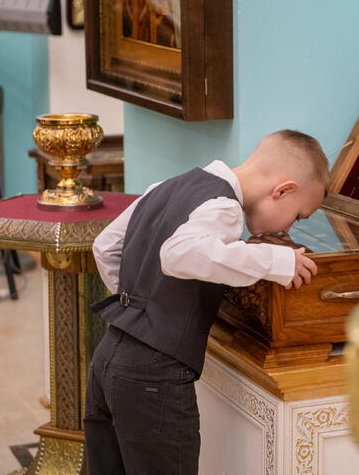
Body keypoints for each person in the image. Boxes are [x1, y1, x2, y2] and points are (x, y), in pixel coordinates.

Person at [83, 129, 328, 474]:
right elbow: (178, 254)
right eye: (299, 215)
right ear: (282, 190)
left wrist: (140, 308)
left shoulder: (166, 186)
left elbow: (105, 246)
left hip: (108, 357)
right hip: (154, 376)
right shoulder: (225, 207)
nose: (290, 227)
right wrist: (277, 261)